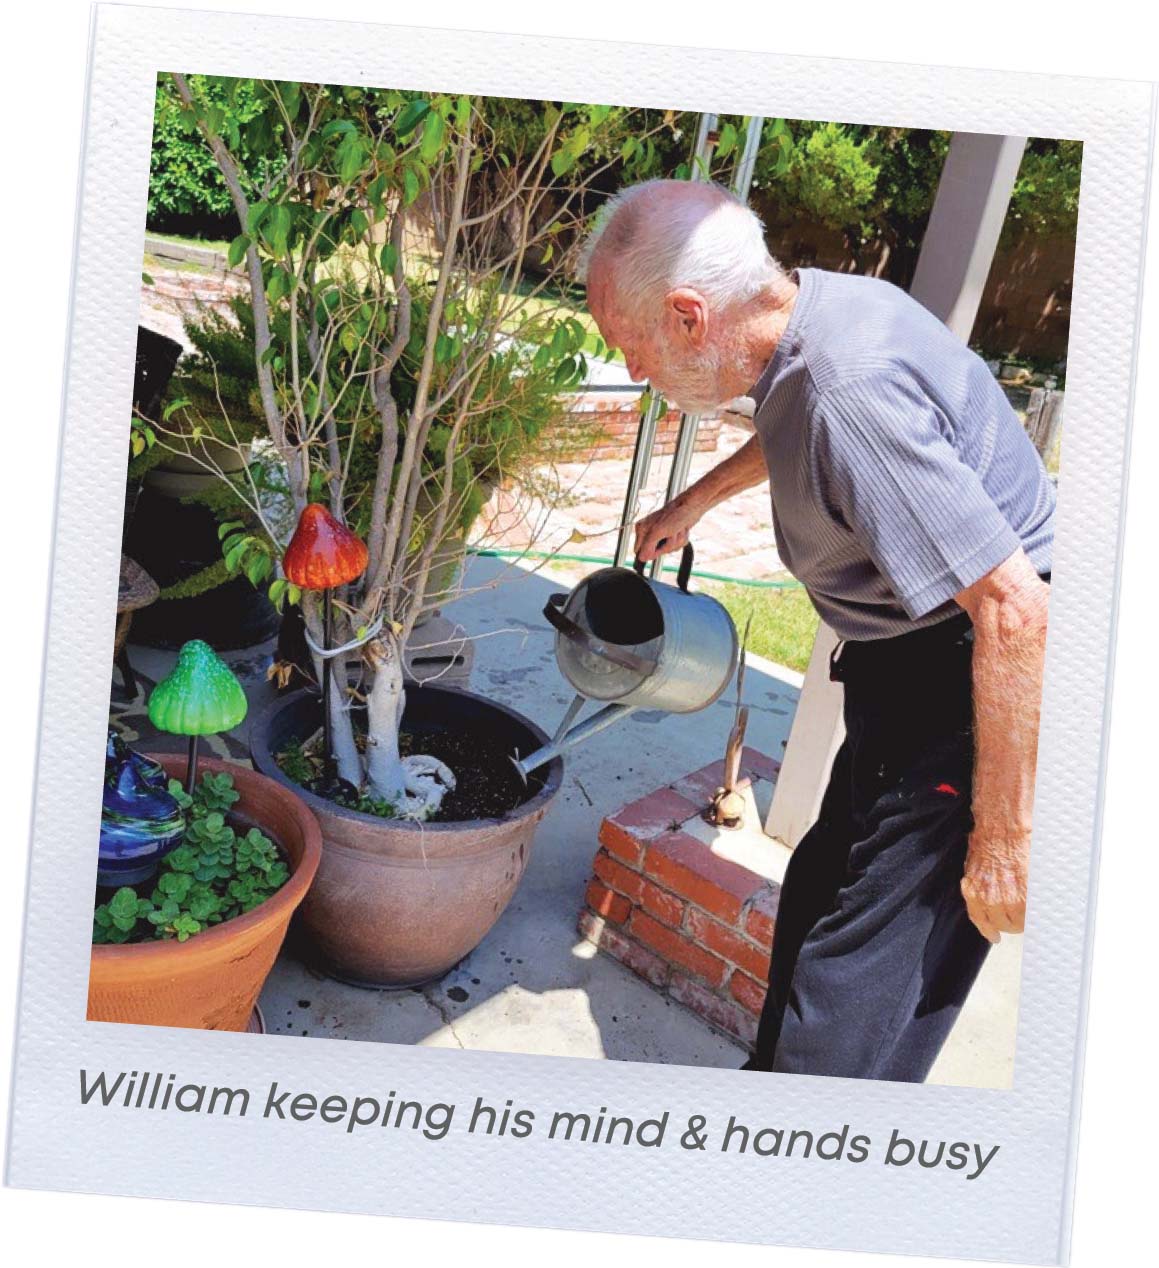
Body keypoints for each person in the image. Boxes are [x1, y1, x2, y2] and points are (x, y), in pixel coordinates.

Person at [578, 179, 1054, 1082]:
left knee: (847, 1008)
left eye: (630, 347)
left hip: (976, 684)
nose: (635, 374)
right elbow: (791, 418)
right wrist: (697, 498)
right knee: (813, 905)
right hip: (908, 668)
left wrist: (1004, 840)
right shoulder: (807, 317)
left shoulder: (850, 391)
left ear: (687, 316)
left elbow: (1014, 610)